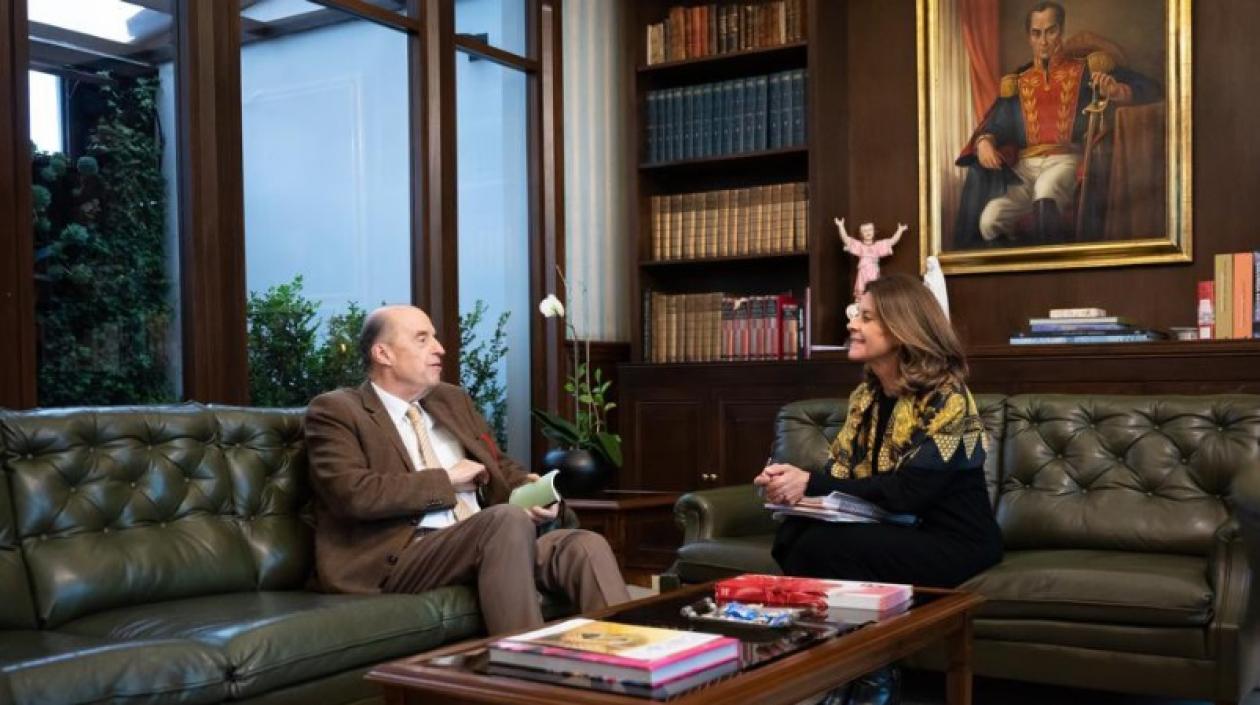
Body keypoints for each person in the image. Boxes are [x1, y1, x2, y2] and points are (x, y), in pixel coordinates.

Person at [304, 304, 630, 635]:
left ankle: (634, 665)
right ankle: (525, 669)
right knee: (504, 520)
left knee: (583, 545)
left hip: (485, 538)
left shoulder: (450, 400)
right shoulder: (337, 410)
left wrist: (530, 490)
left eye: (435, 337)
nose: (439, 348)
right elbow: (353, 494)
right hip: (401, 555)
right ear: (383, 353)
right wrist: (446, 481)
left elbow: (497, 463)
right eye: (422, 339)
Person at [755, 274, 1003, 705]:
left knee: (835, 550)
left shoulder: (950, 400)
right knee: (796, 535)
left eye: (866, 317)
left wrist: (811, 481)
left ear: (903, 329)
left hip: (955, 541)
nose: (852, 324)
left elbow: (907, 492)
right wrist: (789, 485)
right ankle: (842, 667)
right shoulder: (867, 398)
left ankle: (872, 678)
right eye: (856, 314)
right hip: (901, 526)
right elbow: (844, 474)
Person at [952, 1, 1160, 247]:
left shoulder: (1088, 70)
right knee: (990, 219)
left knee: (1046, 189)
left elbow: (1152, 88)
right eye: (1036, 34)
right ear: (1029, 37)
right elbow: (996, 123)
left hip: (1065, 161)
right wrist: (985, 141)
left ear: (1061, 31)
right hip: (1024, 169)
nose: (1044, 41)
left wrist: (1116, 91)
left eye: (1050, 31)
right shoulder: (1018, 81)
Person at [836, 217, 906, 302]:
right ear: (861, 234)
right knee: (861, 289)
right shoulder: (860, 246)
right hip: (863, 272)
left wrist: (900, 230)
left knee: (874, 289)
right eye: (865, 231)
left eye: (870, 230)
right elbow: (846, 239)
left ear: (874, 231)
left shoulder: (877, 246)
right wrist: (841, 226)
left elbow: (892, 241)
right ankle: (860, 303)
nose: (868, 233)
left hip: (873, 271)